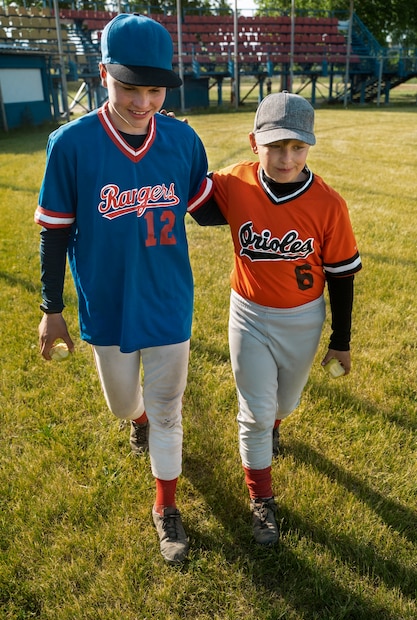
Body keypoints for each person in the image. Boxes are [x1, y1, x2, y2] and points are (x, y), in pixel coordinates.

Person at [35, 13, 213, 565]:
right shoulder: (71, 144)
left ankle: (166, 508)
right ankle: (134, 421)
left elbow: (208, 208)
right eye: (129, 86)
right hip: (107, 304)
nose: (142, 102)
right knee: (122, 405)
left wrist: (269, 180)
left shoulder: (183, 139)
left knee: (168, 411)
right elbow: (55, 232)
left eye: (154, 89)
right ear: (104, 72)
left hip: (167, 302)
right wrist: (51, 309)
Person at [190, 92, 362, 545]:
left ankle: (275, 428)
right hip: (247, 313)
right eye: (275, 146)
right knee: (255, 412)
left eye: (298, 147)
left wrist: (340, 339)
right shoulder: (235, 183)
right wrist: (173, 138)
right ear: (254, 142)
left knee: (283, 406)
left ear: (310, 147)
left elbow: (342, 279)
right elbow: (192, 201)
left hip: (303, 318)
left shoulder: (328, 203)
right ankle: (261, 499)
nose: (287, 158)